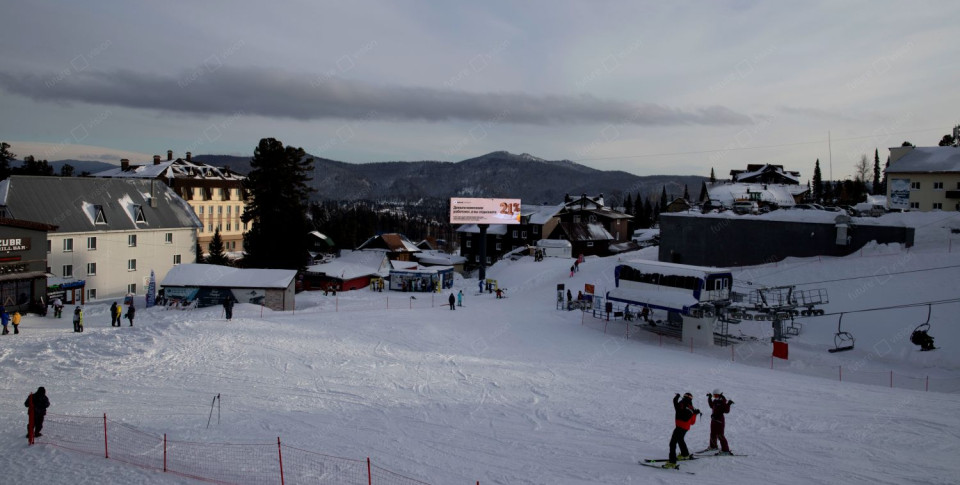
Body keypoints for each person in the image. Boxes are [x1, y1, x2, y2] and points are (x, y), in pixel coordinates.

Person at [663, 392, 700, 469]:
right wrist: (695, 414)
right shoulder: (691, 407)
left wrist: (677, 396)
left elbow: (675, 404)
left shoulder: (682, 403)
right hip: (685, 428)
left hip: (679, 427)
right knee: (680, 439)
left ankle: (672, 462)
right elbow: (692, 423)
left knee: (672, 443)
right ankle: (685, 454)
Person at [706, 389, 734, 455]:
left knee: (720, 435)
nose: (715, 397)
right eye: (714, 396)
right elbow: (711, 406)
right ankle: (713, 446)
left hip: (719, 421)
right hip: (713, 420)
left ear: (719, 395)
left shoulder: (722, 401)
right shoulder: (716, 401)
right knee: (713, 434)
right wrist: (709, 398)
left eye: (716, 395)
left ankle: (725, 450)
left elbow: (726, 411)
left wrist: (728, 404)